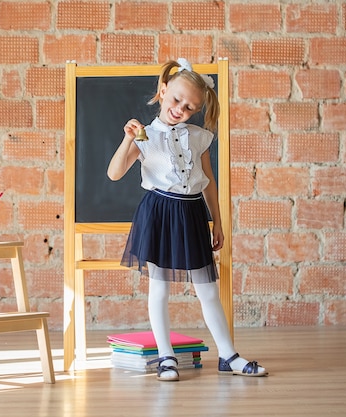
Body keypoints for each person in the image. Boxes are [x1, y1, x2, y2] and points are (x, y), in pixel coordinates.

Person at [107, 58, 268, 381]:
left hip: (192, 212)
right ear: (163, 91)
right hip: (159, 213)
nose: (181, 109)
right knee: (160, 288)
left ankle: (228, 355)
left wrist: (217, 222)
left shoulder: (198, 137)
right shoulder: (145, 135)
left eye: (190, 107)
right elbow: (114, 174)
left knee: (208, 289)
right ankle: (166, 357)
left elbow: (208, 182)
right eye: (177, 100)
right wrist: (128, 138)